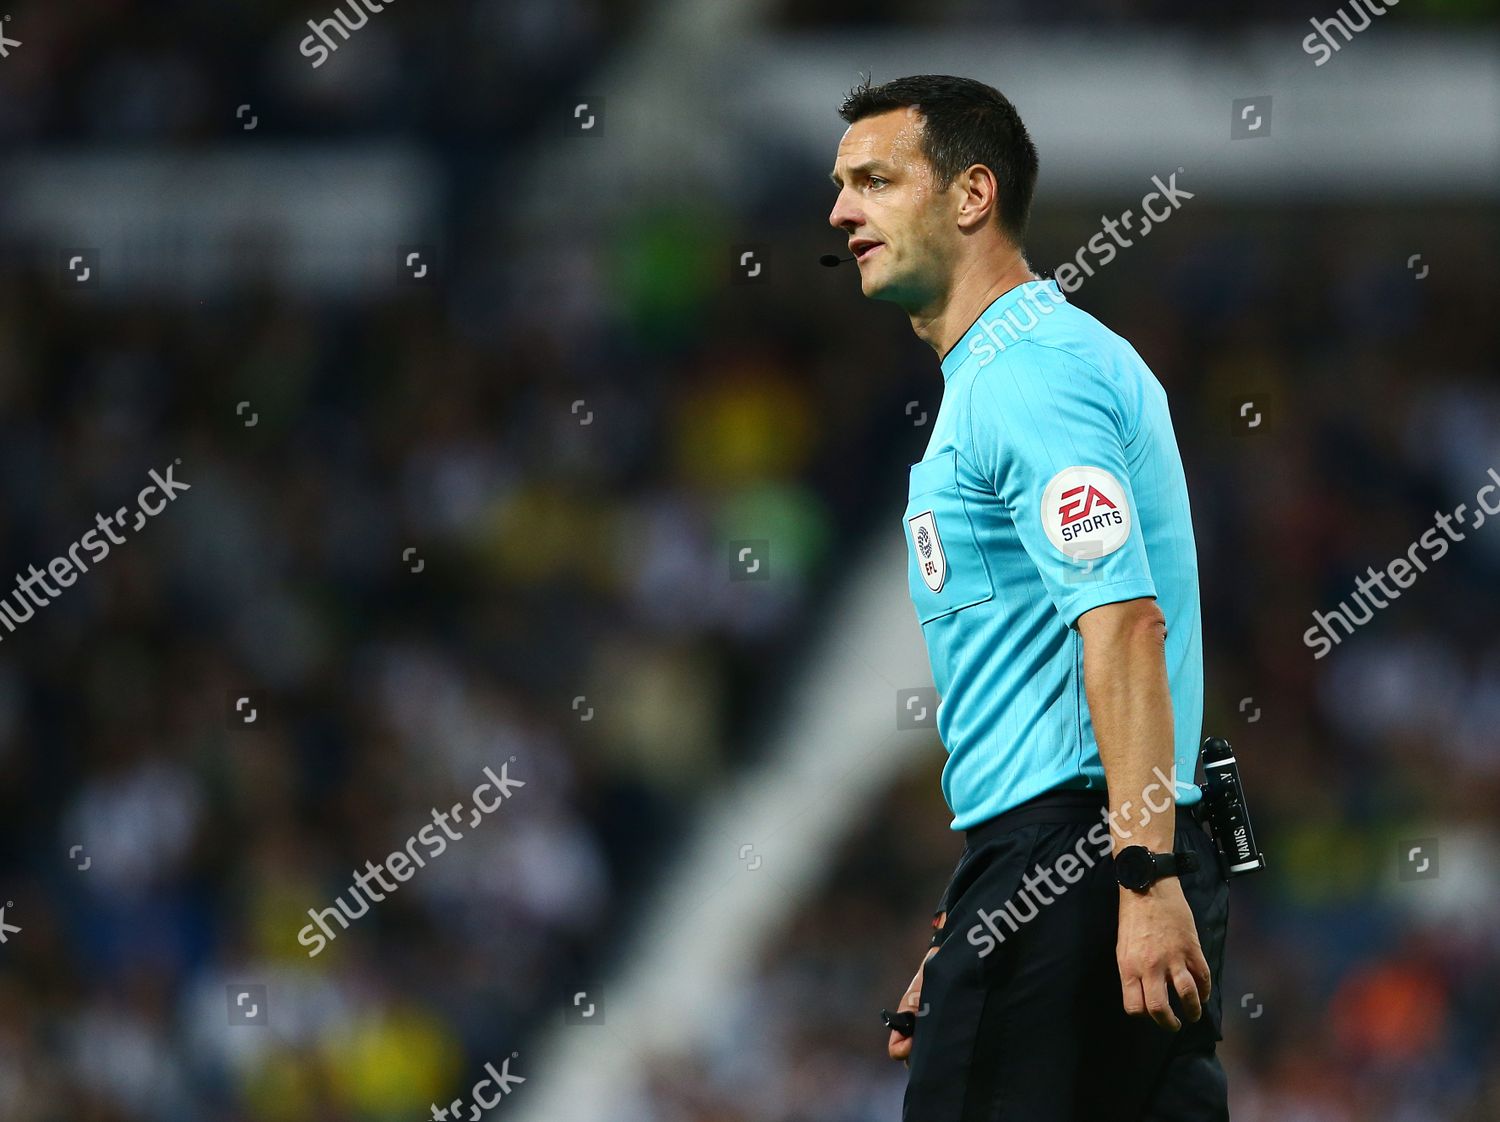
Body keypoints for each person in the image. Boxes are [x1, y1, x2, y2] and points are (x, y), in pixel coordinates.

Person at [827, 75, 1229, 1121]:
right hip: (1070, 862)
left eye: (875, 180)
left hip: (1089, 856)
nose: (841, 212)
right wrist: (976, 923)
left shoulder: (1029, 377)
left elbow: (1122, 620)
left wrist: (1137, 878)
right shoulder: (1011, 373)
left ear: (970, 196)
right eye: (841, 186)